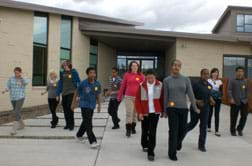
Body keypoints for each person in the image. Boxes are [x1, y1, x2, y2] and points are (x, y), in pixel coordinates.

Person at [163, 59, 198, 161]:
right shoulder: (166, 80)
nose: (176, 67)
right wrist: (165, 110)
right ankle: (172, 153)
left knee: (183, 130)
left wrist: (195, 107)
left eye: (178, 66)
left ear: (180, 67)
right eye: (174, 65)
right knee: (173, 131)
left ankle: (177, 143)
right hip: (172, 108)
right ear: (171, 66)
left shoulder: (186, 79)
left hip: (183, 108)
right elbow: (166, 96)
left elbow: (191, 94)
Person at [135, 69, 163, 162]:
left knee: (152, 132)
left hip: (155, 113)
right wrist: (139, 112)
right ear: (146, 77)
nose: (150, 79)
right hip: (145, 112)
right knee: (145, 130)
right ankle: (144, 144)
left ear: (155, 77)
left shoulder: (160, 84)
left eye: (152, 77)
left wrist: (162, 110)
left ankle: (151, 152)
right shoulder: (141, 85)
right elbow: (137, 100)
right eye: (149, 77)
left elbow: (162, 98)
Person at [186, 69, 215, 152]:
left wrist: (211, 99)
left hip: (206, 109)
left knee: (203, 126)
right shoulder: (195, 84)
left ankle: (201, 145)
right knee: (192, 124)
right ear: (201, 74)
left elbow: (208, 95)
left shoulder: (209, 85)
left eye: (207, 74)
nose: (206, 75)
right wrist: (197, 101)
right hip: (196, 108)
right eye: (204, 74)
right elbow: (190, 95)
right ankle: (181, 134)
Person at [75, 67, 101, 149]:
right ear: (87, 74)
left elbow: (98, 95)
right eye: (91, 73)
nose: (93, 74)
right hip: (84, 105)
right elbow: (77, 91)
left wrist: (99, 105)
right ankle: (93, 141)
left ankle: (79, 135)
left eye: (94, 73)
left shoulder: (97, 84)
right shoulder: (83, 83)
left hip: (92, 105)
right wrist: (75, 101)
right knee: (89, 123)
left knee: (85, 121)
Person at [117, 61, 145, 137]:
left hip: (138, 98)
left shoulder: (141, 75)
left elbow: (144, 87)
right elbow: (123, 86)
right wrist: (119, 96)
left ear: (138, 67)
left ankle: (133, 128)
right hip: (128, 97)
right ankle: (128, 130)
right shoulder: (127, 75)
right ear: (130, 67)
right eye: (133, 66)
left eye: (136, 66)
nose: (134, 67)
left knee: (135, 114)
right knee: (129, 113)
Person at [2, 67, 29, 135]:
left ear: (20, 72)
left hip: (20, 97)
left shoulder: (23, 78)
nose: (16, 74)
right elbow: (8, 86)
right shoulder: (11, 78)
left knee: (16, 112)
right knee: (16, 112)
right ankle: (22, 124)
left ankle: (14, 129)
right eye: (15, 73)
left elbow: (27, 82)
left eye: (17, 73)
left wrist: (21, 78)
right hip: (13, 98)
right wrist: (5, 90)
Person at [56, 60, 80, 131]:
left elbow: (78, 82)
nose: (64, 65)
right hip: (64, 93)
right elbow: (60, 83)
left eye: (65, 64)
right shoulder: (62, 73)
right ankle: (67, 124)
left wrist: (79, 94)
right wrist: (57, 94)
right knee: (65, 109)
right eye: (63, 65)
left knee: (70, 108)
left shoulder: (73, 72)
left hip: (72, 92)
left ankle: (71, 124)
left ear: (68, 64)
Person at [228, 66, 250, 136]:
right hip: (234, 101)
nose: (240, 73)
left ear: (243, 73)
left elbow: (247, 91)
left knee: (244, 116)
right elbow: (229, 90)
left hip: (244, 101)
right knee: (233, 117)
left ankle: (240, 129)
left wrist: (246, 98)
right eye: (239, 71)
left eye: (241, 71)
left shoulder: (245, 81)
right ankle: (232, 130)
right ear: (236, 72)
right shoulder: (232, 80)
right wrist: (231, 98)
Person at [207, 68, 223, 137]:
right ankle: (209, 127)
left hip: (218, 99)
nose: (215, 74)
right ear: (211, 73)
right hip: (210, 98)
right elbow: (207, 90)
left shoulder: (220, 81)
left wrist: (220, 96)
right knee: (209, 113)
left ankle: (217, 130)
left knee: (217, 114)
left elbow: (221, 91)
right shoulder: (208, 80)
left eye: (216, 72)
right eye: (214, 72)